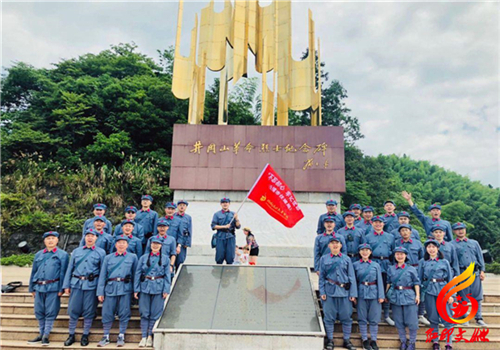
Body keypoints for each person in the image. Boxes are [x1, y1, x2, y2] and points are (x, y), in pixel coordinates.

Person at [62, 229, 106, 346]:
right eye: (88, 236)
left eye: (92, 236)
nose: (90, 238)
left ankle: (85, 334)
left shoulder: (101, 252)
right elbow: (70, 269)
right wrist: (66, 285)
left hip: (91, 285)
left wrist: (100, 289)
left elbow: (103, 273)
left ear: (96, 238)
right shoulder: (76, 251)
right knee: (73, 310)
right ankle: (71, 334)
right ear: (84, 237)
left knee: (89, 311)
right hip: (76, 284)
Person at [27, 231, 69, 346]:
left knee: (51, 311)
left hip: (53, 287)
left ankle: (46, 335)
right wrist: (32, 288)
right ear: (44, 241)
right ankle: (41, 333)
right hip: (39, 286)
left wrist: (62, 288)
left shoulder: (63, 255)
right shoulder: (39, 254)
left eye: (53, 238)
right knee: (39, 311)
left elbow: (63, 273)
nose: (50, 240)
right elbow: (34, 271)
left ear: (57, 240)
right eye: (48, 238)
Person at [96, 235, 138, 347]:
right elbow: (102, 275)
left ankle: (121, 335)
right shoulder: (108, 258)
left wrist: (135, 290)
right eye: (119, 243)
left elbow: (135, 275)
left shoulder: (132, 257)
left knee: (124, 312)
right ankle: (106, 336)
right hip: (110, 288)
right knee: (107, 312)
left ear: (127, 245)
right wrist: (100, 292)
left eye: (124, 243)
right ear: (115, 245)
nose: (121, 245)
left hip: (125, 288)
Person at [318, 236, 357, 350]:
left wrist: (353, 294)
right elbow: (322, 278)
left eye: (337, 243)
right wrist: (322, 291)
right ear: (329, 246)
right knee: (329, 317)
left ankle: (347, 340)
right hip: (329, 292)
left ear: (341, 245)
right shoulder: (324, 259)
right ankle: (330, 340)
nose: (335, 245)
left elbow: (351, 277)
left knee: (346, 317)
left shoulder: (346, 259)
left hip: (344, 292)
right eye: (332, 243)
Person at [134, 237, 171, 347]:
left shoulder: (165, 259)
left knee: (155, 313)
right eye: (153, 244)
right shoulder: (143, 258)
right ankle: (143, 336)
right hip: (145, 286)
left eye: (157, 244)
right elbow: (138, 273)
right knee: (144, 312)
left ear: (161, 246)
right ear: (150, 245)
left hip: (158, 287)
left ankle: (150, 336)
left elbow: (167, 276)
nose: (155, 246)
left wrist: (166, 289)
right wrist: (136, 289)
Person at [418, 239, 455, 350]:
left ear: (438, 248)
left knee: (447, 317)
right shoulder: (422, 262)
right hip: (429, 291)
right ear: (426, 249)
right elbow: (419, 279)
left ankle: (449, 343)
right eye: (429, 247)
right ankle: (435, 341)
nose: (431, 249)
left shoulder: (444, 262)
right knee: (433, 318)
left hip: (443, 291)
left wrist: (451, 295)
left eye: (433, 247)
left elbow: (450, 279)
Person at [451, 222, 487, 326]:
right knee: (463, 296)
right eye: (457, 229)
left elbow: (480, 257)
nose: (460, 231)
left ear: (465, 230)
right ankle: (464, 316)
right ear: (454, 231)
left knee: (477, 296)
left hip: (474, 272)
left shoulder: (474, 243)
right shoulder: (452, 244)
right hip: (462, 272)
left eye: (462, 228)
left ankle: (478, 317)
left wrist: (482, 271)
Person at [386, 246, 420, 350]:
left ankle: (412, 342)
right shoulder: (391, 268)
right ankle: (403, 341)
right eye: (397, 254)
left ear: (405, 256)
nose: (399, 256)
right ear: (395, 256)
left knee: (412, 321)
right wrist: (386, 294)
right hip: (396, 295)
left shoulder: (411, 269)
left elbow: (416, 282)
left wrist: (417, 295)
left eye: (402, 254)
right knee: (398, 320)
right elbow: (388, 282)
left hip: (409, 295)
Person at [364, 215, 395, 325]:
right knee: (373, 288)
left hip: (386, 264)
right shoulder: (367, 237)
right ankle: (371, 314)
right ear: (372, 224)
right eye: (376, 222)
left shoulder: (390, 237)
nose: (378, 224)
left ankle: (386, 315)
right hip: (373, 264)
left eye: (380, 223)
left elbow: (393, 252)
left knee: (387, 290)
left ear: (383, 224)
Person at [353, 243, 384, 350]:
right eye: (362, 250)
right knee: (362, 317)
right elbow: (354, 281)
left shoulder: (376, 265)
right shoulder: (355, 265)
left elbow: (379, 280)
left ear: (370, 252)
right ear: (359, 252)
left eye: (367, 250)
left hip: (374, 293)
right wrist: (354, 295)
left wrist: (381, 295)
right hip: (361, 293)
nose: (365, 252)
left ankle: (374, 340)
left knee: (374, 318)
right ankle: (365, 339)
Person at [211, 197, 241, 265]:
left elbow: (238, 226)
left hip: (230, 237)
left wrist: (236, 218)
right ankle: (218, 273)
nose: (225, 204)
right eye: (223, 203)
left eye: (226, 202)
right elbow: (213, 226)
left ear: (229, 204)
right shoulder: (217, 214)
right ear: (221, 204)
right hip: (220, 237)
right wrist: (224, 226)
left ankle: (229, 274)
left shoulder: (233, 214)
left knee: (230, 258)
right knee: (219, 257)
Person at [174, 200, 192, 270]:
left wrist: (187, 242)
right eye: (180, 205)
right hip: (174, 239)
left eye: (183, 205)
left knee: (180, 260)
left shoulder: (188, 217)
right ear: (177, 206)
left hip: (183, 240)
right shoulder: (173, 216)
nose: (182, 207)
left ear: (186, 207)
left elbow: (190, 230)